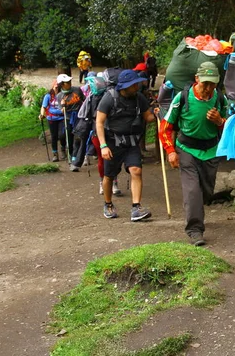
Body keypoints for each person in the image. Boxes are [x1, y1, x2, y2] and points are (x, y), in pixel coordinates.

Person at [157, 61, 227, 246]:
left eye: (213, 84)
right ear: (197, 79)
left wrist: (220, 120)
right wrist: (171, 152)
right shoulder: (182, 98)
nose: (209, 88)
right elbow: (165, 127)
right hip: (186, 149)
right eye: (205, 83)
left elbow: (231, 126)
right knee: (192, 192)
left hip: (211, 151)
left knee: (206, 191)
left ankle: (196, 211)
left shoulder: (220, 99)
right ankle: (195, 230)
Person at [95, 69, 155, 221]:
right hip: (112, 143)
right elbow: (99, 122)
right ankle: (108, 204)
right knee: (109, 175)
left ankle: (136, 208)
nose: (137, 87)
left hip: (131, 142)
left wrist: (156, 113)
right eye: (133, 85)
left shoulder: (139, 98)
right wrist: (103, 146)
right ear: (124, 86)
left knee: (136, 170)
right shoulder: (109, 98)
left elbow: (147, 117)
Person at [39, 79, 67, 162]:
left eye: (58, 86)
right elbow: (44, 106)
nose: (56, 87)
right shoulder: (48, 96)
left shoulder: (63, 95)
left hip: (62, 117)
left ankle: (63, 150)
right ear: (53, 86)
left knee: (62, 135)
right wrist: (42, 114)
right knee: (54, 136)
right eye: (55, 86)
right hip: (52, 118)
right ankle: (55, 154)